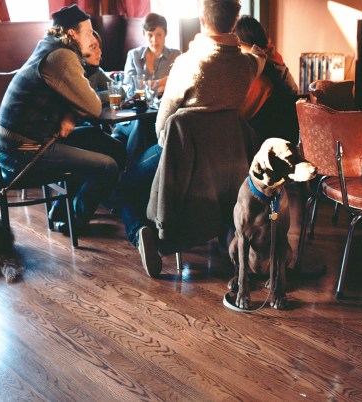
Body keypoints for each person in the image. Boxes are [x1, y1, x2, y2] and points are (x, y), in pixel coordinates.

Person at [118, 0, 266, 277]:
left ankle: (141, 234)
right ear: (234, 22)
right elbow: (258, 57)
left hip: (182, 151)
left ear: (203, 20)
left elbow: (163, 122)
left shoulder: (188, 63)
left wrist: (170, 152)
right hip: (226, 158)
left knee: (125, 184)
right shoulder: (245, 65)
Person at [0, 5, 122, 234]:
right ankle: (75, 222)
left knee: (104, 143)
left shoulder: (49, 46)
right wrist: (95, 101)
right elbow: (93, 107)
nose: (92, 37)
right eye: (88, 32)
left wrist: (69, 114)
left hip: (15, 146)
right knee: (107, 166)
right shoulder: (62, 56)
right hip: (25, 154)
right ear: (72, 33)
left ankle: (61, 212)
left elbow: (69, 98)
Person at [114, 13, 181, 167]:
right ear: (144, 34)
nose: (154, 40)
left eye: (159, 34)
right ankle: (132, 172)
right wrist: (161, 83)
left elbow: (177, 86)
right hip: (134, 116)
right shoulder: (134, 55)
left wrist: (145, 86)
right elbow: (131, 90)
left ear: (166, 34)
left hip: (162, 114)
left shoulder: (175, 55)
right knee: (141, 122)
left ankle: (134, 173)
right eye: (150, 35)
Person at [234, 15, 299, 146]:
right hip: (289, 137)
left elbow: (240, 116)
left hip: (267, 143)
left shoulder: (260, 75)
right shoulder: (276, 61)